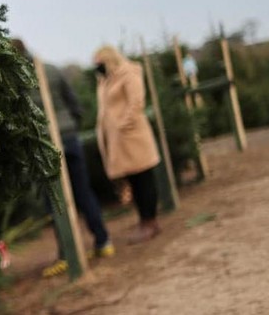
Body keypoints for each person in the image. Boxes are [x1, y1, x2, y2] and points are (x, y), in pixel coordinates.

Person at [10, 39, 114, 278]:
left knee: (54, 199)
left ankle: (67, 254)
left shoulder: (16, 79)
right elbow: (74, 102)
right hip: (69, 138)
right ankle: (103, 241)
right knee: (83, 191)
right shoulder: (52, 68)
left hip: (44, 143)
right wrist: (72, 127)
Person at [92, 45, 162, 244]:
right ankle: (144, 220)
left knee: (144, 180)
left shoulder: (129, 73)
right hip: (118, 141)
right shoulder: (105, 80)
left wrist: (124, 123)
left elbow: (136, 102)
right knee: (134, 181)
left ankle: (150, 221)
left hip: (133, 138)